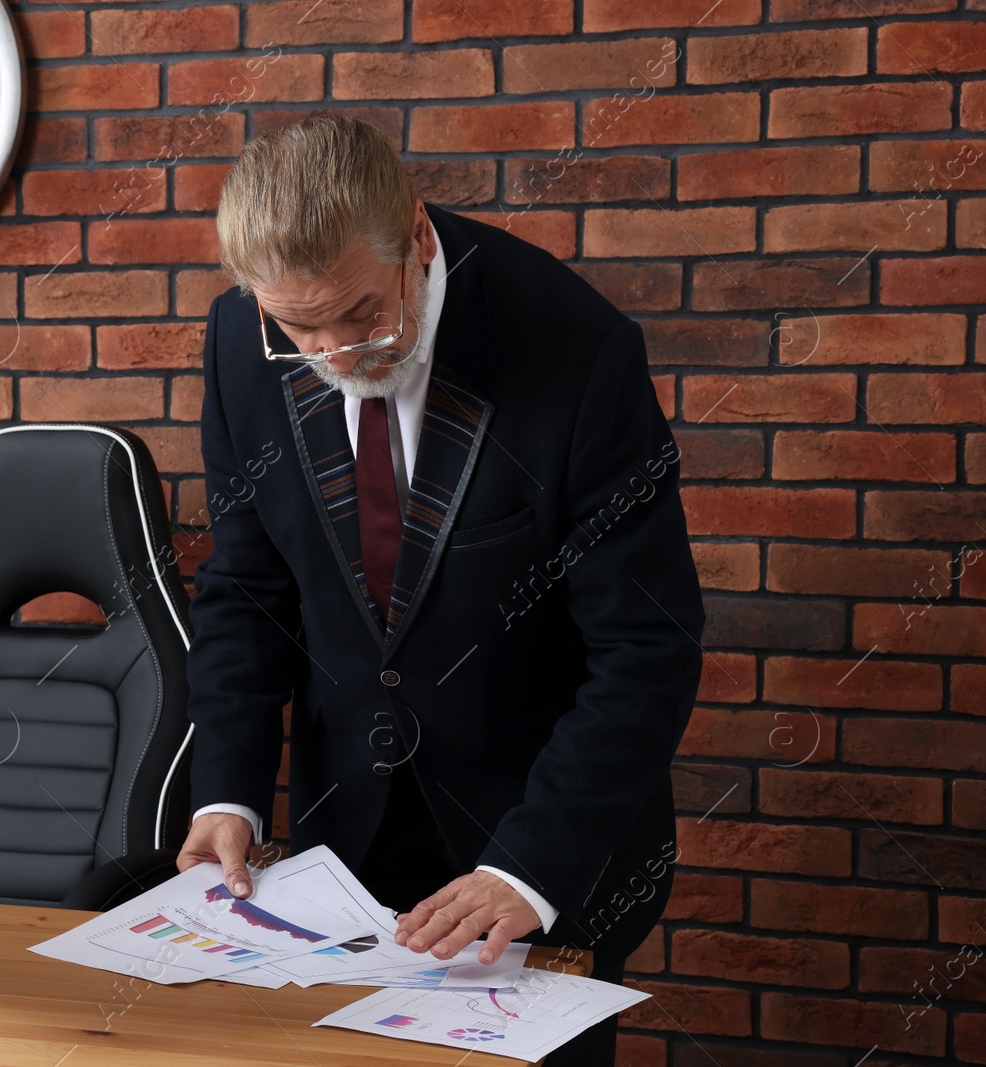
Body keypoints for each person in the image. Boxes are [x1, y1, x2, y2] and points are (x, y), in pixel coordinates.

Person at [176, 115, 705, 1067]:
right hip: (346, 842)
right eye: (300, 329)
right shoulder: (237, 341)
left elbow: (646, 648)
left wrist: (527, 867)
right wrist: (230, 794)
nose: (335, 356)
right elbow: (245, 590)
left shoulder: (579, 352)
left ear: (417, 238)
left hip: (543, 845)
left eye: (363, 316)